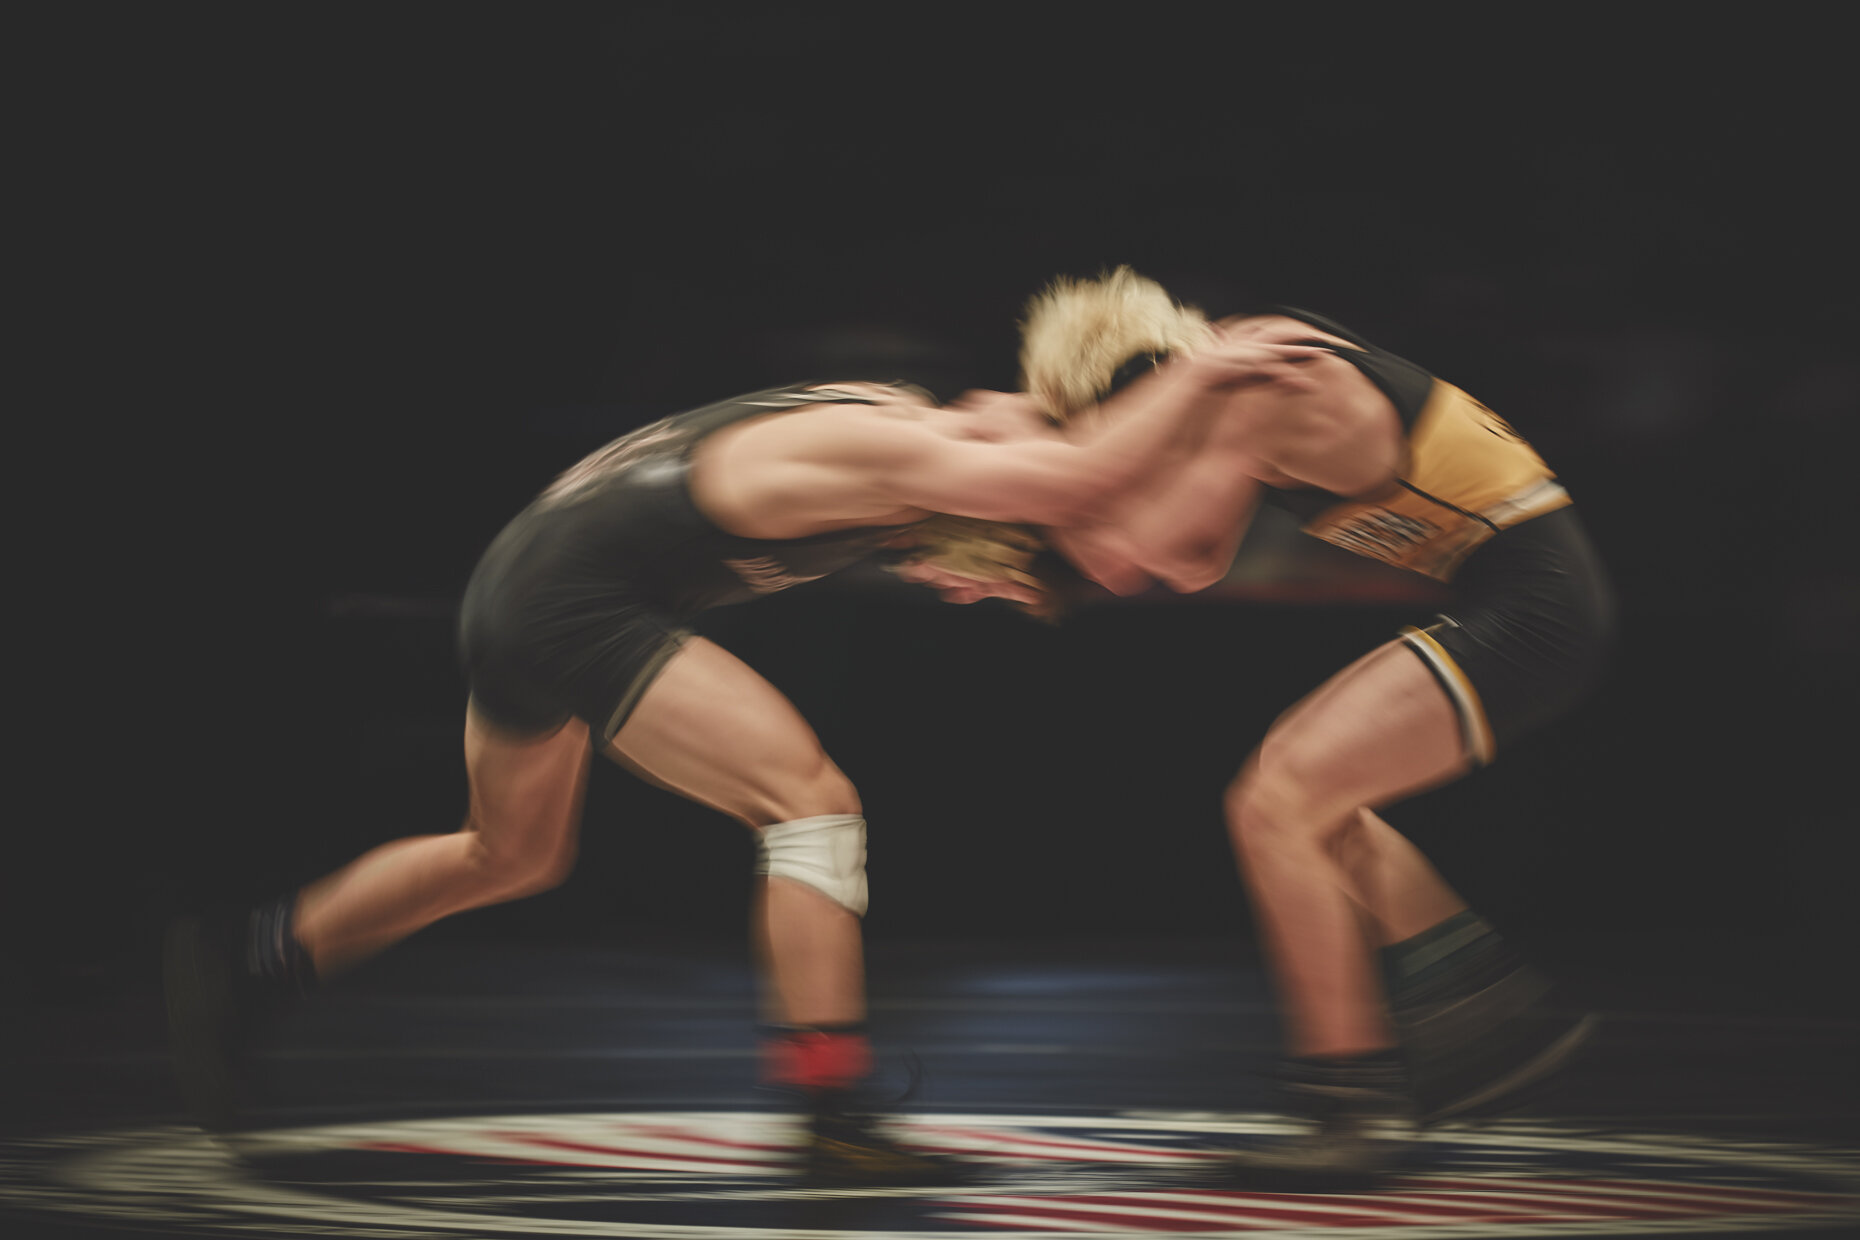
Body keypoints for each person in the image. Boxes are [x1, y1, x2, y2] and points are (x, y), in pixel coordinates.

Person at [162, 340, 1322, 1184]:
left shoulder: (942, 423)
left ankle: (253, 958)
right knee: (808, 806)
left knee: (508, 852)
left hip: (522, 582)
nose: (966, 588)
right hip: (572, 599)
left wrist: (1147, 400)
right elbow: (1076, 487)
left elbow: (1059, 455)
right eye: (983, 574)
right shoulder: (910, 449)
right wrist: (1209, 376)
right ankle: (827, 1105)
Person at [1011, 267, 1615, 1186]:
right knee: (1318, 804)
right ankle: (1485, 1017)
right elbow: (1197, 552)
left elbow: (1163, 559)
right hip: (1523, 597)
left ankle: (1353, 1101)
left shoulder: (1250, 380)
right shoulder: (1237, 371)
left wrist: (1036, 487)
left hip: (1534, 607)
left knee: (1276, 802)